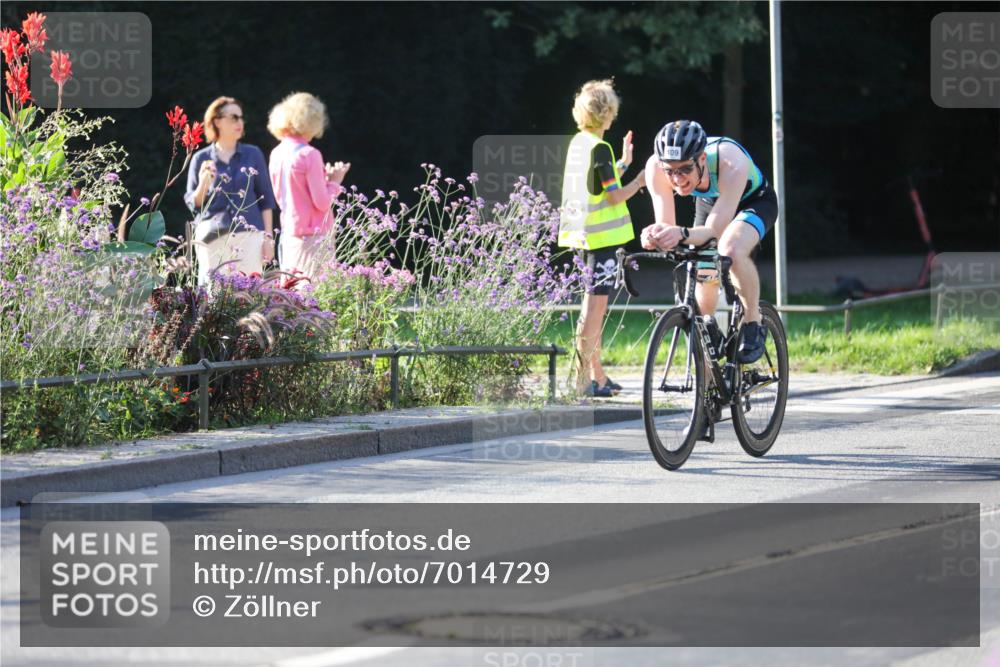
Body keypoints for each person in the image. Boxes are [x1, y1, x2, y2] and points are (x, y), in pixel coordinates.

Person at [640, 120, 778, 364]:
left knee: (730, 249)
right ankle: (708, 334)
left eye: (684, 169)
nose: (677, 179)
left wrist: (681, 233)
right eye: (669, 171)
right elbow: (667, 226)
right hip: (713, 202)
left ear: (702, 159)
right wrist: (655, 235)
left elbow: (713, 231)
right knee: (701, 264)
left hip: (753, 201)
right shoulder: (655, 167)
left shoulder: (730, 161)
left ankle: (753, 320)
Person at [559, 79, 645, 398]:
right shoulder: (599, 148)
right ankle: (582, 381)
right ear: (607, 112)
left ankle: (598, 376)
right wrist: (640, 181)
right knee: (594, 310)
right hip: (601, 242)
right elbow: (613, 196)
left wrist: (622, 163)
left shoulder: (581, 144)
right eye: (612, 109)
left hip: (582, 238)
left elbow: (600, 183)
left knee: (594, 307)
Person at [185, 96, 277, 286]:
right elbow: (194, 204)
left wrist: (268, 239)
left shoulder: (253, 154)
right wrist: (204, 182)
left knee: (251, 293)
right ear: (217, 121)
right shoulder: (200, 158)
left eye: (241, 117)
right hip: (212, 237)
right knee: (214, 294)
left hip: (250, 236)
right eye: (234, 117)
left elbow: (266, 200)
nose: (239, 122)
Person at [267, 92, 350, 281]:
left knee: (292, 295)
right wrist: (335, 182)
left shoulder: (277, 152)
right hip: (313, 236)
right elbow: (321, 203)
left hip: (288, 232)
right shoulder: (309, 154)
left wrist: (325, 181)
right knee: (314, 298)